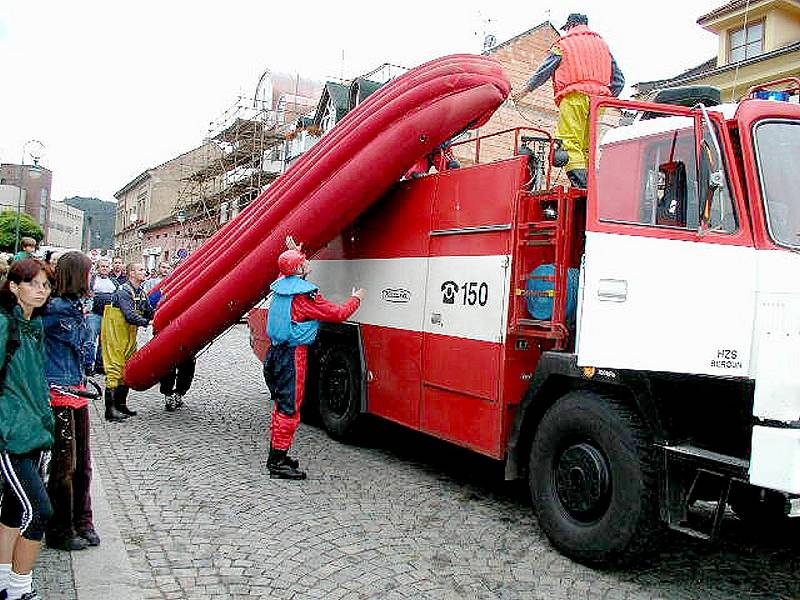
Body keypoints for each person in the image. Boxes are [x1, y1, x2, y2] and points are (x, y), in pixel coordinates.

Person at [264, 239, 365, 479]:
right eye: (304, 261)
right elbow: (338, 314)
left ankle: (278, 454)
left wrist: (295, 252)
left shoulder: (280, 285)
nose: (308, 262)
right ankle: (277, 462)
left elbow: (286, 269)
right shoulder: (306, 296)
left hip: (276, 353)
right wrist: (357, 298)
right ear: (299, 269)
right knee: (289, 409)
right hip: (293, 356)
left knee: (282, 406)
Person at [511, 12, 624, 188]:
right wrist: (606, 96)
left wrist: (523, 92)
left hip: (574, 97)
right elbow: (619, 80)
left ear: (570, 26)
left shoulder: (564, 45)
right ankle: (592, 187)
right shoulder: (603, 46)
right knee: (588, 146)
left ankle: (581, 186)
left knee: (569, 142)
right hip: (599, 102)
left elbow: (544, 72)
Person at [0, 258, 54, 600]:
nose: (41, 290)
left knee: (13, 509)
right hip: (12, 434)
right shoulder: (5, 326)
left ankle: (5, 580)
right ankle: (20, 589)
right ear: (13, 287)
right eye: (33, 283)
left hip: (35, 430)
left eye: (46, 285)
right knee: (39, 510)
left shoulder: (36, 328)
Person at [42, 252, 100, 552]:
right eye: (89, 273)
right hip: (58, 392)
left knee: (83, 464)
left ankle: (83, 520)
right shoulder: (53, 309)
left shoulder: (79, 307)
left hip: (76, 390)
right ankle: (60, 528)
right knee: (64, 465)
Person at [101, 263, 153, 421]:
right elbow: (129, 315)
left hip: (128, 333)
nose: (144, 272)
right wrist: (148, 322)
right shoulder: (123, 291)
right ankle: (110, 410)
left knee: (127, 366)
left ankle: (121, 406)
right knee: (114, 368)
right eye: (141, 270)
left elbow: (149, 310)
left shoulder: (141, 292)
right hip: (115, 332)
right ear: (131, 273)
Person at [84, 258, 117, 376]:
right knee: (90, 341)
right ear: (97, 268)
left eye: (107, 266)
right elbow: (86, 294)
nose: (105, 268)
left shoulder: (114, 282)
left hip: (108, 315)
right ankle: (87, 365)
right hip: (94, 314)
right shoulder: (92, 280)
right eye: (102, 266)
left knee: (104, 342)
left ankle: (100, 365)